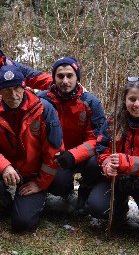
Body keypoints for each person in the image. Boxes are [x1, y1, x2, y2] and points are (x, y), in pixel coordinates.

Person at [0, 65, 63, 232]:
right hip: (9, 168)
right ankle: (1, 204)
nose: (13, 95)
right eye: (6, 90)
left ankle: (39, 196)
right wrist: (4, 166)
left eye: (16, 88)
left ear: (24, 87)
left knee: (22, 224)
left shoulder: (44, 109)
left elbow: (54, 152)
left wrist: (39, 184)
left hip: (34, 173)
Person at [87, 77, 139, 232]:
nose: (136, 104)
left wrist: (125, 162)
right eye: (132, 99)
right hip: (115, 179)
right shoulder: (112, 121)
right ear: (124, 100)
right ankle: (119, 207)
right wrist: (106, 166)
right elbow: (102, 150)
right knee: (96, 207)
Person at [37, 57, 106, 214]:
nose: (65, 81)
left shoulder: (91, 102)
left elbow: (98, 139)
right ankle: (65, 191)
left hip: (81, 155)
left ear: (77, 78)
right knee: (59, 185)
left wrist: (74, 155)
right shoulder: (42, 99)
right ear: (54, 78)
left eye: (70, 76)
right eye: (60, 76)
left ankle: (85, 191)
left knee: (96, 163)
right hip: (54, 155)